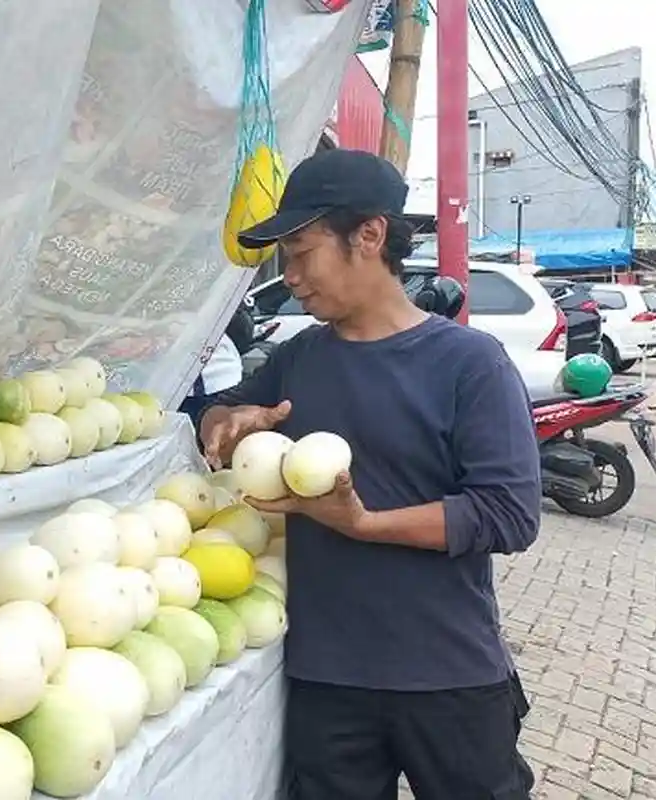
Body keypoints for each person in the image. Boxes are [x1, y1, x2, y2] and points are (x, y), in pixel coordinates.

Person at [199, 148, 541, 800]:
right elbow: (226, 407)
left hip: (448, 674)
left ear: (370, 235)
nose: (291, 276)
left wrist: (365, 524)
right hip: (328, 681)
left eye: (301, 252)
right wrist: (228, 416)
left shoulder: (469, 363)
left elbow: (508, 513)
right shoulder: (299, 359)